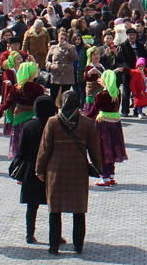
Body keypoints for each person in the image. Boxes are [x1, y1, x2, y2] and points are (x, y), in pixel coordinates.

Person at [36, 92, 104, 254]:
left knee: (55, 209)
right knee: (78, 209)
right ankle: (78, 245)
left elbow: (44, 149)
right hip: (78, 170)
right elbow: (94, 150)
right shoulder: (87, 123)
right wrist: (99, 168)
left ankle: (53, 246)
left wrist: (39, 169)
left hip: (55, 171)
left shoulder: (52, 122)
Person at [16, 95, 56, 245]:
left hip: (30, 169)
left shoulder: (28, 126)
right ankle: (55, 235)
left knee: (32, 206)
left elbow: (21, 150)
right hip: (51, 169)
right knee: (53, 206)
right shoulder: (54, 125)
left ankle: (29, 234)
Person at [85, 69, 127, 186]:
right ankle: (111, 174)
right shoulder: (117, 92)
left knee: (103, 150)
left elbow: (93, 111)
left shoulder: (101, 95)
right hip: (115, 124)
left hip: (103, 124)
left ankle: (104, 177)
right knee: (112, 149)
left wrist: (84, 117)